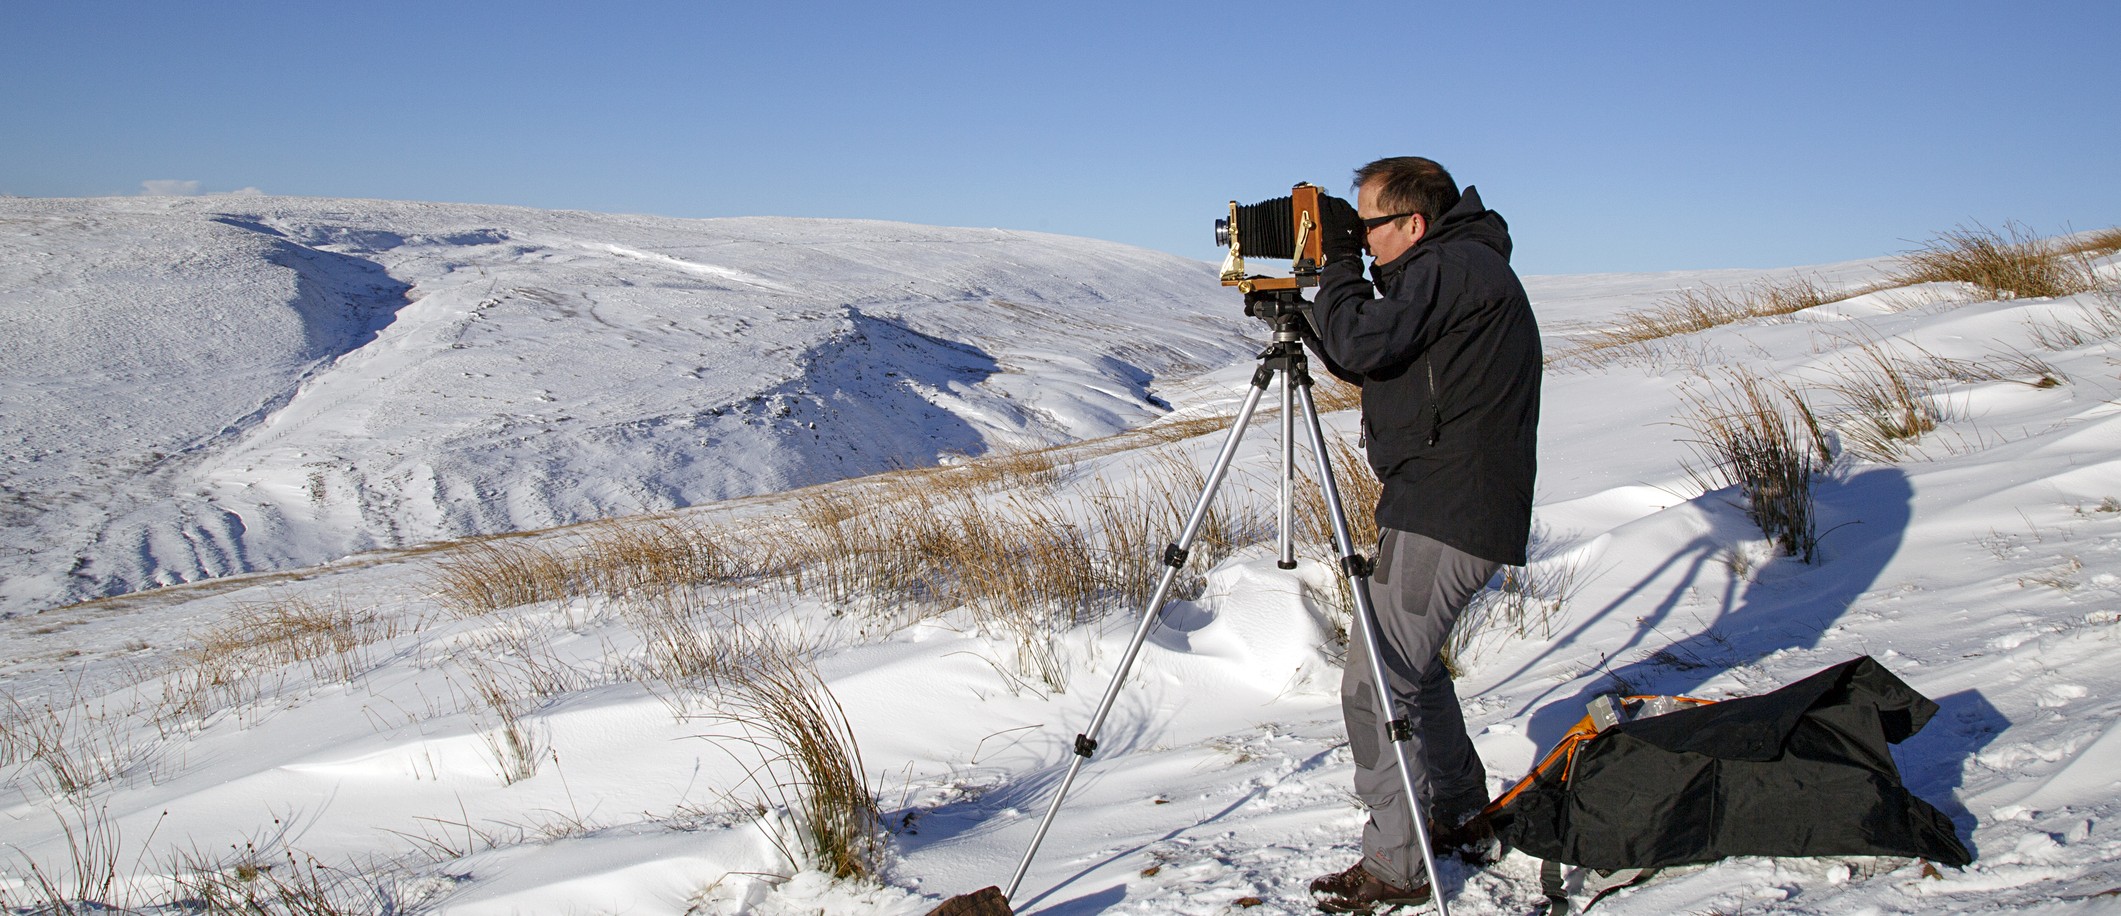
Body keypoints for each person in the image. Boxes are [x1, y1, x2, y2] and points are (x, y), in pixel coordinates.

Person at [1299, 157, 1542, 913]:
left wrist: (1333, 267)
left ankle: (1396, 867)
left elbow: (1367, 345)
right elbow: (1361, 348)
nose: (1361, 242)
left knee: (1374, 681)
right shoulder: (1453, 268)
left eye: (1367, 225)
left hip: (1451, 504)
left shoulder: (1454, 267)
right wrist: (1309, 307)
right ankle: (1461, 810)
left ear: (1412, 223)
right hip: (1435, 498)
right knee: (1407, 664)